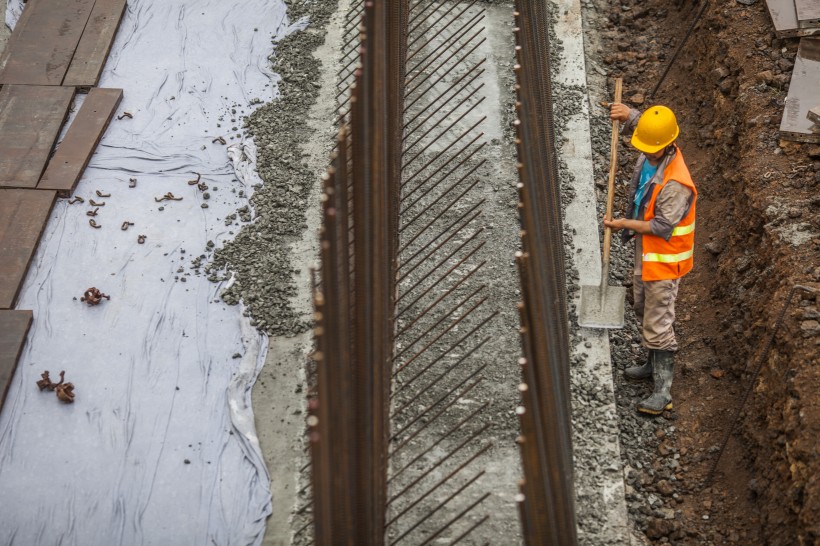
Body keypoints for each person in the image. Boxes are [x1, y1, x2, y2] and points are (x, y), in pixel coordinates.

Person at [604, 103, 697, 416]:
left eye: (649, 147)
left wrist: (623, 224)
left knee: (658, 321)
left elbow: (661, 226)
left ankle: (663, 392)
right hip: (648, 252)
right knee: (643, 307)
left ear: (665, 145)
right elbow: (648, 126)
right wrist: (628, 115)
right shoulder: (656, 148)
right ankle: (650, 363)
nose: (645, 151)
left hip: (665, 259)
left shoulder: (676, 184)